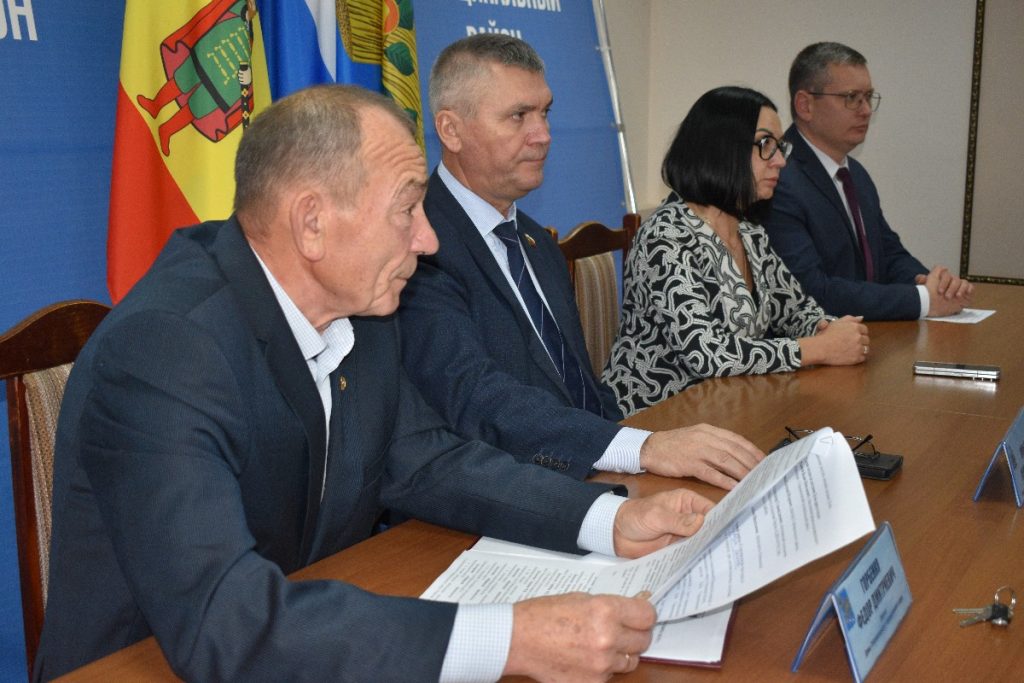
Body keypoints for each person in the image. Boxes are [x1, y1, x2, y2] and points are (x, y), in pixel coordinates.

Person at [34, 85, 718, 682]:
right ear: (312, 223)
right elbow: (223, 620)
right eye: (407, 209)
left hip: (307, 641)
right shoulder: (167, 348)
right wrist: (511, 638)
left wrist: (609, 519)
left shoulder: (360, 309)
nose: (428, 240)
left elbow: (431, 461)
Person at [398, 34, 763, 491]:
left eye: (545, 112)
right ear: (451, 130)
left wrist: (641, 452)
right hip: (498, 495)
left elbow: (583, 389)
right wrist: (641, 449)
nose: (543, 135)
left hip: (589, 471)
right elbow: (476, 398)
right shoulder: (417, 246)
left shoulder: (536, 243)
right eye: (518, 116)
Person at [602, 87, 869, 416]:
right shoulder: (665, 236)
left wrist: (832, 331)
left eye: (779, 146)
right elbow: (708, 354)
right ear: (722, 149)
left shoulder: (751, 233)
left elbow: (797, 312)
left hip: (727, 408)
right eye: (765, 145)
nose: (781, 160)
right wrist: (817, 349)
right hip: (653, 418)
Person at [764, 41, 973, 321]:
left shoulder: (856, 174)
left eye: (868, 97)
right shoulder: (778, 177)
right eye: (851, 97)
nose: (865, 110)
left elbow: (888, 253)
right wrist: (922, 300)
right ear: (805, 105)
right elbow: (809, 291)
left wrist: (931, 285)